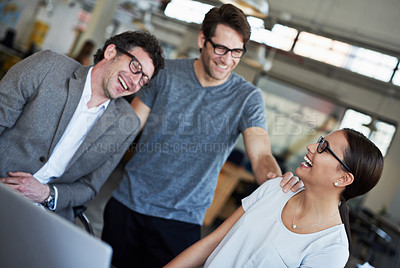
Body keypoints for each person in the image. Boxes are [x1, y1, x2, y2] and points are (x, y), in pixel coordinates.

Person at [102, 4, 302, 267]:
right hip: (128, 204)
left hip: (182, 220)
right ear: (202, 40)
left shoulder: (247, 98)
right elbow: (126, 128)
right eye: (220, 48)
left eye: (236, 52)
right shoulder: (164, 74)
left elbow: (261, 153)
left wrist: (276, 184)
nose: (227, 59)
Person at [0, 31, 164, 222]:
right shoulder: (47, 66)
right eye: (136, 67)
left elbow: (90, 187)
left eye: (144, 80)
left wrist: (46, 194)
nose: (135, 82)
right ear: (111, 52)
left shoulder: (127, 124)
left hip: (45, 215)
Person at [165, 128, 384, 267]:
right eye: (319, 141)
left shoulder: (330, 248)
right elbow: (211, 243)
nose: (310, 147)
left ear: (344, 178)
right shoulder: (276, 189)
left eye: (324, 148)